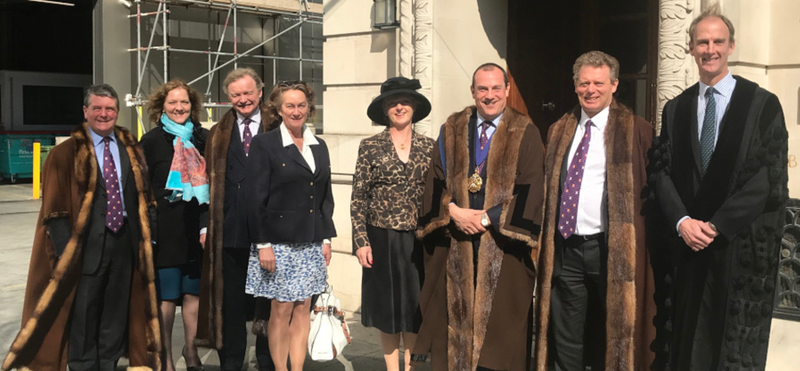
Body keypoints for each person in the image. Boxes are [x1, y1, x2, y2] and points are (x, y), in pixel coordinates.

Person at [649, 6, 788, 371]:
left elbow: (768, 178)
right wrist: (682, 221)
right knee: (682, 344)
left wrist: (715, 225)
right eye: (702, 42)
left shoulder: (761, 105)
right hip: (686, 248)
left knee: (726, 350)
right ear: (691, 48)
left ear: (731, 47)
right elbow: (660, 171)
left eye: (717, 42)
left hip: (735, 247)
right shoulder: (675, 109)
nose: (709, 49)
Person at [2, 84, 161, 371]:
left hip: (124, 244)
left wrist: (149, 239)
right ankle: (82, 366)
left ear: (117, 111)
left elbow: (145, 198)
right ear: (85, 111)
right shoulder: (65, 154)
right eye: (97, 108)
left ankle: (108, 364)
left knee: (115, 314)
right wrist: (68, 254)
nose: (104, 114)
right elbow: (54, 210)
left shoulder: (131, 150)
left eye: (110, 108)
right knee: (84, 316)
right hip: (85, 248)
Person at [411, 63, 545, 371]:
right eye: (482, 89)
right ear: (473, 91)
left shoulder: (525, 131)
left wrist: (487, 218)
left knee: (499, 342)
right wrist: (452, 211)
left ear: (507, 90)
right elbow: (435, 182)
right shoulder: (452, 128)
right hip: (456, 244)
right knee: (451, 336)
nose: (489, 95)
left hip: (502, 246)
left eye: (496, 88)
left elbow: (532, 188)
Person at [533, 51, 655, 371]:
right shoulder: (559, 129)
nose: (591, 90)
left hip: (611, 249)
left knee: (614, 332)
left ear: (614, 85)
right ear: (575, 86)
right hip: (567, 248)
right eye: (584, 83)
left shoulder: (637, 131)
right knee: (567, 334)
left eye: (599, 83)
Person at [245, 80, 336, 371]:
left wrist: (326, 239)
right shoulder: (265, 143)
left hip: (310, 243)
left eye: (301, 105)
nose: (296, 111)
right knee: (281, 310)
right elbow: (255, 198)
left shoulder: (318, 145)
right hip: (277, 244)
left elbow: (324, 196)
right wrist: (263, 245)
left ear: (309, 108)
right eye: (290, 106)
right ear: (279, 109)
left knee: (303, 310)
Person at [195, 68, 276, 371]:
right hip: (228, 231)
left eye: (247, 93)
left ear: (259, 92)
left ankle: (268, 359)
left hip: (269, 231)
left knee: (266, 301)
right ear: (227, 98)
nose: (243, 99)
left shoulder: (277, 126)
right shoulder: (218, 132)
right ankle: (231, 360)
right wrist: (205, 224)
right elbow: (203, 184)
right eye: (236, 95)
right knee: (229, 303)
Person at [352, 76, 434, 371]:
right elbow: (359, 196)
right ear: (384, 109)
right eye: (393, 103)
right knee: (387, 310)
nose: (400, 107)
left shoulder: (430, 147)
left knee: (415, 308)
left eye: (405, 101)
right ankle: (391, 368)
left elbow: (439, 194)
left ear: (414, 107)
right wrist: (360, 241)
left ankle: (412, 367)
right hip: (380, 238)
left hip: (418, 239)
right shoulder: (370, 146)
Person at [140, 79, 209, 371]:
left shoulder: (204, 138)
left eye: (184, 102)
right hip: (164, 230)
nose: (179, 107)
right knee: (167, 299)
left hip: (197, 226)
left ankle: (191, 352)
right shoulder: (152, 141)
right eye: (173, 102)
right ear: (161, 107)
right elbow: (142, 188)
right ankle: (165, 358)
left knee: (193, 295)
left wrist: (208, 226)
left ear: (192, 106)